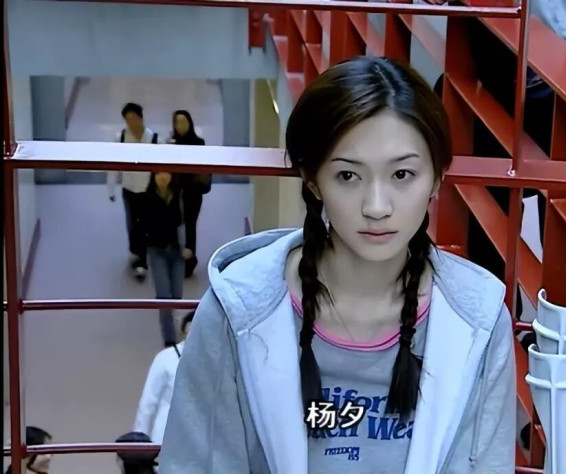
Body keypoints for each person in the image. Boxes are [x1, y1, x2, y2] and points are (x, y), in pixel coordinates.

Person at [159, 56, 515, 473]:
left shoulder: (478, 319)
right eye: (348, 176)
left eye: (402, 175)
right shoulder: (236, 309)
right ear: (312, 180)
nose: (377, 207)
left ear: (436, 178)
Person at [108, 103, 163, 281]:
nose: (131, 123)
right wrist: (111, 188)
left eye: (134, 118)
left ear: (141, 118)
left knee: (147, 223)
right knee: (133, 223)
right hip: (129, 189)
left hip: (149, 189)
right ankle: (137, 252)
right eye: (127, 119)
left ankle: (142, 260)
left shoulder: (154, 139)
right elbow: (113, 165)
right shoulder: (121, 138)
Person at [134, 311, 195, 445]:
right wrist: (138, 443)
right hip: (167, 437)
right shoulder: (166, 358)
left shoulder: (216, 360)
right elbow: (148, 403)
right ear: (185, 331)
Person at [142, 171, 186, 347]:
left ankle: (178, 330)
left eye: (166, 173)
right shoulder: (147, 198)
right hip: (157, 250)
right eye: (159, 173)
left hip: (177, 251)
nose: (163, 177)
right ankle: (169, 340)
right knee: (163, 295)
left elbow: (188, 221)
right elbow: (142, 226)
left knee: (176, 295)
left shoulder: (179, 194)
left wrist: (189, 246)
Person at [168, 110, 211, 278]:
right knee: (175, 223)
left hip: (193, 192)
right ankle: (175, 257)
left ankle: (189, 258)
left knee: (190, 223)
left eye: (183, 122)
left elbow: (205, 168)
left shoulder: (198, 143)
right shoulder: (171, 144)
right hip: (174, 192)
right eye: (177, 122)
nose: (180, 126)